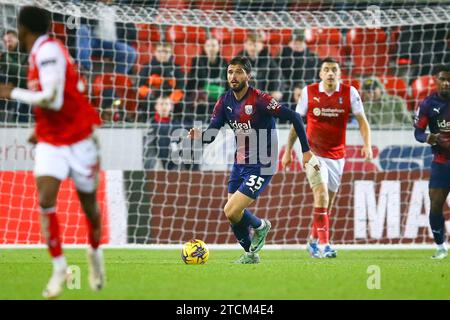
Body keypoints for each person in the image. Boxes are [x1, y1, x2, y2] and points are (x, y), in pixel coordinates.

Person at [0, 6, 104, 298]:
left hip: (79, 140)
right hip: (50, 140)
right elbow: (69, 91)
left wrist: (12, 93)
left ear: (23, 29)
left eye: (17, 28)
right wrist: (40, 128)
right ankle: (59, 267)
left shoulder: (48, 52)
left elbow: (52, 99)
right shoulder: (38, 54)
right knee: (45, 199)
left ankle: (95, 255)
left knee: (90, 211)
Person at [188, 56, 320, 264]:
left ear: (248, 75)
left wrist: (305, 151)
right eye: (230, 72)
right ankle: (251, 254)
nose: (233, 76)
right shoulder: (224, 101)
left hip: (263, 163)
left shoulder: (260, 99)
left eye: (239, 72)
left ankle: (260, 226)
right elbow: (211, 134)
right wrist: (200, 135)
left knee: (230, 209)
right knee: (233, 214)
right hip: (240, 162)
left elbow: (294, 116)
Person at [282, 57, 373, 258]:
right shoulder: (309, 92)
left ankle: (313, 242)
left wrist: (367, 145)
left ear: (339, 73)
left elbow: (362, 121)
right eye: (326, 69)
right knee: (321, 195)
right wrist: (289, 150)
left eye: (334, 69)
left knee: (326, 205)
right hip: (313, 154)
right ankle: (325, 246)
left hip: (337, 157)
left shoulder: (350, 93)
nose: (330, 73)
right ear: (321, 74)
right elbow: (297, 122)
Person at [414, 65, 450, 260]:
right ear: (436, 80)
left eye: (449, 80)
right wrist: (428, 137)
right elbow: (418, 132)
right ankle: (441, 247)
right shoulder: (428, 103)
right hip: (441, 162)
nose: (446, 83)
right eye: (443, 79)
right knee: (436, 205)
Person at [138, 42, 185, 122]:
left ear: (171, 53)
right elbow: (139, 85)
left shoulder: (176, 68)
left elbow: (181, 87)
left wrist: (170, 100)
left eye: (166, 52)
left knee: (183, 102)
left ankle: (177, 123)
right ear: (155, 53)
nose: (163, 54)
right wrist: (152, 96)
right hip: (151, 98)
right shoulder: (147, 67)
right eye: (160, 51)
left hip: (171, 98)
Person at [186, 37, 228, 122]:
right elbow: (191, 83)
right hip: (202, 97)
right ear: (204, 47)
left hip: (218, 97)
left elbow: (227, 84)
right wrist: (198, 95)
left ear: (218, 47)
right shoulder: (197, 61)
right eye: (208, 45)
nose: (211, 48)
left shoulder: (224, 63)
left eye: (213, 45)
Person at [237, 31, 283, 102]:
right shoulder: (239, 59)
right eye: (250, 44)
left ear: (261, 46)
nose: (252, 47)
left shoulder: (267, 58)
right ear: (245, 45)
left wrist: (277, 89)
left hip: (264, 95)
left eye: (255, 45)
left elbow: (277, 74)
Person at [278, 29, 320, 103]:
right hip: (288, 92)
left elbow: (315, 77)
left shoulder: (312, 58)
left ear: (304, 43)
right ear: (290, 43)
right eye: (295, 43)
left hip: (308, 91)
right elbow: (279, 76)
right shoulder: (283, 56)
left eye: (300, 43)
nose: (297, 45)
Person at [0, 29, 30, 122]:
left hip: (25, 92)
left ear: (17, 39)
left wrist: (4, 59)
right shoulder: (6, 56)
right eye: (5, 42)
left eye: (10, 41)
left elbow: (24, 74)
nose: (8, 44)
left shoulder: (27, 53)